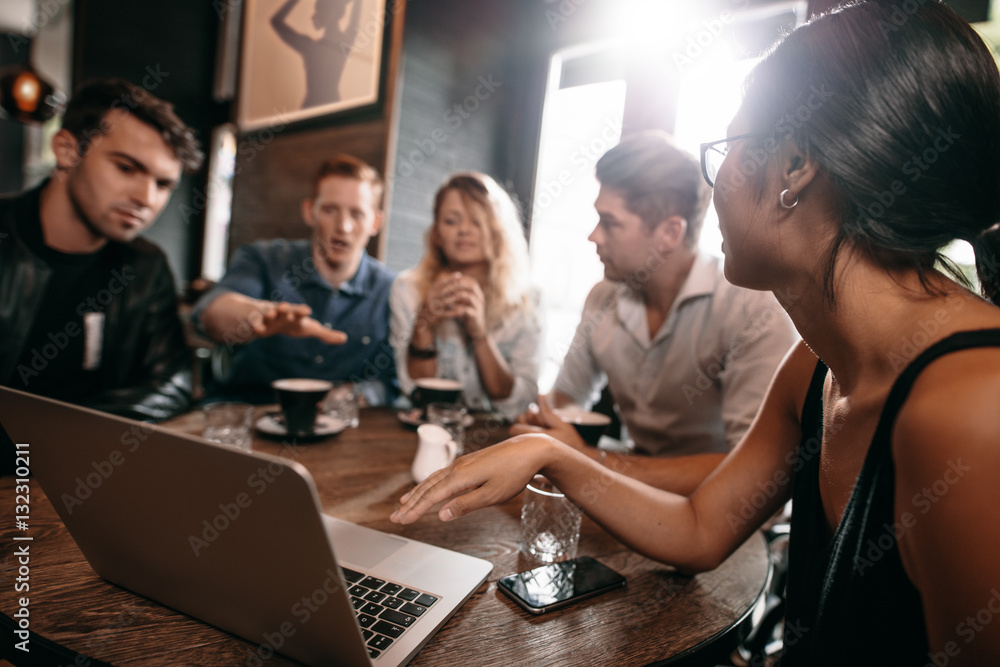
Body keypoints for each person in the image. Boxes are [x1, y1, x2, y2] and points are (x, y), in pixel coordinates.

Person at [392, 2, 1000, 664]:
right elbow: (703, 527)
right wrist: (552, 452)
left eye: (727, 150)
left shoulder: (970, 404)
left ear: (794, 167)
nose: (714, 189)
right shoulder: (817, 367)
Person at [514, 131, 796, 494]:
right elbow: (566, 400)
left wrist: (585, 459)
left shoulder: (751, 308)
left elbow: (752, 470)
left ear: (669, 232)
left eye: (610, 222)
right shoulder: (602, 298)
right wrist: (544, 423)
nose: (593, 237)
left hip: (724, 517)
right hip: (631, 485)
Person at [0, 77, 203, 422]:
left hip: (86, 466)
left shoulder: (146, 266)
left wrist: (63, 440)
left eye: (163, 184)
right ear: (67, 151)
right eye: (126, 168)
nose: (146, 199)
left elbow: (173, 383)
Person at [193, 154, 396, 405]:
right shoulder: (263, 260)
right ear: (309, 211)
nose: (343, 226)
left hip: (337, 431)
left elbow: (392, 381)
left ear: (375, 222)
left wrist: (356, 395)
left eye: (357, 214)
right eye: (330, 210)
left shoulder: (389, 289)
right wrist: (259, 315)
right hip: (249, 413)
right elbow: (209, 316)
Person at [390, 172, 541, 419]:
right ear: (436, 234)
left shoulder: (529, 300)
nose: (464, 231)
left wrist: (480, 335)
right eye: (451, 221)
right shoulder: (407, 289)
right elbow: (414, 391)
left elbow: (520, 401)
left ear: (498, 230)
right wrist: (424, 322)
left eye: (477, 220)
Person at [271, 0, 361, 109]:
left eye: (319, 12)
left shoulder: (310, 47)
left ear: (331, 14)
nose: (313, 16)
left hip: (313, 107)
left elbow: (276, 22)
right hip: (331, 106)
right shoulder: (344, 41)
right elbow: (275, 22)